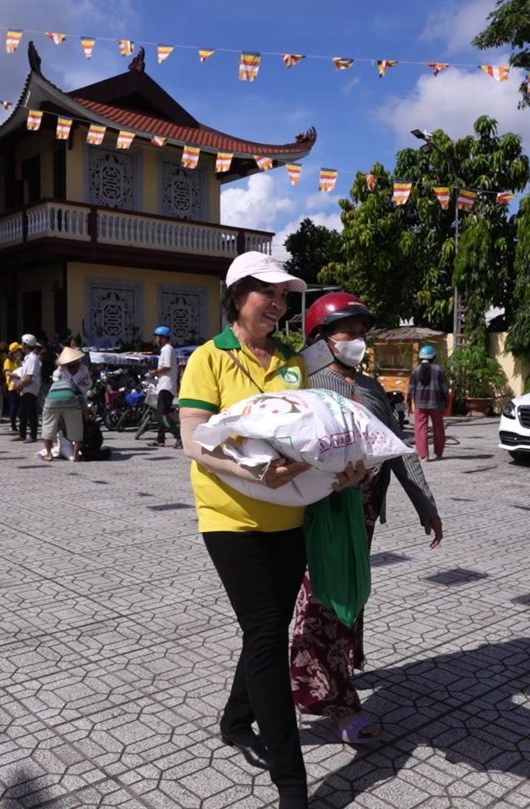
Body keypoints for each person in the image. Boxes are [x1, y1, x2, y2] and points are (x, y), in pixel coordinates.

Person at [177, 251, 365, 809]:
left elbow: (313, 427)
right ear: (238, 296)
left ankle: (237, 719)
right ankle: (293, 786)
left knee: (269, 625)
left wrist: (342, 469)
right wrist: (252, 469)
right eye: (270, 295)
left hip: (290, 515)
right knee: (265, 635)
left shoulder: (292, 360)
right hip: (230, 517)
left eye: (286, 298)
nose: (280, 306)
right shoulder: (208, 359)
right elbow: (194, 440)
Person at [290, 292, 445, 743]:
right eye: (348, 333)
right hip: (324, 512)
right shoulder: (306, 385)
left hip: (365, 515)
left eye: (362, 334)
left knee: (349, 594)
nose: (358, 342)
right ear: (321, 338)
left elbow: (398, 450)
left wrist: (426, 505)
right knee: (323, 604)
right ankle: (335, 703)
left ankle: (328, 675)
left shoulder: (373, 389)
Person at [39, 346, 89, 462]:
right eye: (70, 365)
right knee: (69, 428)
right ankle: (68, 453)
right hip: (68, 400)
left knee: (52, 427)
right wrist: (86, 415)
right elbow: (56, 381)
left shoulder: (84, 369)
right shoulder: (59, 371)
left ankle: (52, 453)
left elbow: (87, 384)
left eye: (75, 364)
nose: (73, 366)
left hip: (62, 400)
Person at [409, 344, 450, 461]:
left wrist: (409, 403)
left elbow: (411, 388)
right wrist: (446, 401)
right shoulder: (439, 370)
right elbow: (444, 388)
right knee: (438, 428)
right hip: (436, 404)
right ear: (434, 357)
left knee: (420, 429)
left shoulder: (415, 370)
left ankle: (424, 455)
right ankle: (439, 453)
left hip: (420, 404)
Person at [149, 325, 178, 447]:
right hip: (165, 385)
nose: (156, 340)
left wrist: (155, 372)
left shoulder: (167, 349)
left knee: (162, 415)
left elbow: (166, 366)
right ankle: (160, 439)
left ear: (163, 338)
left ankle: (179, 436)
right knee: (161, 413)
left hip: (166, 386)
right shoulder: (166, 349)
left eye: (157, 337)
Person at [16, 335, 43, 443]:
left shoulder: (32, 358)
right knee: (23, 412)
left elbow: (29, 377)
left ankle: (33, 435)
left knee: (31, 413)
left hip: (30, 389)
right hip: (26, 389)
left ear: (26, 344)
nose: (21, 345)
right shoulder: (28, 358)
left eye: (22, 343)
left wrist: (19, 386)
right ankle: (22, 434)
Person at [2, 342, 23, 433]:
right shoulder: (8, 361)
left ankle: (21, 423)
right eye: (18, 350)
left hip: (20, 386)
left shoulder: (19, 361)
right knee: (14, 406)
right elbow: (7, 373)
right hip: (12, 386)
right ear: (13, 352)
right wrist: (17, 375)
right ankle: (13, 424)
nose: (20, 352)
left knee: (20, 406)